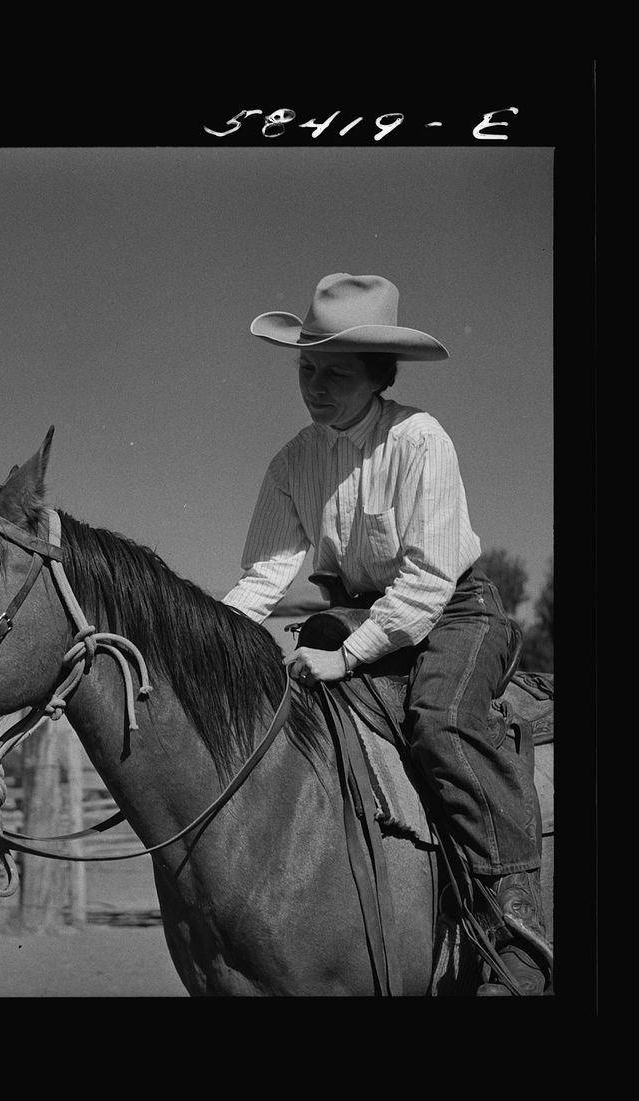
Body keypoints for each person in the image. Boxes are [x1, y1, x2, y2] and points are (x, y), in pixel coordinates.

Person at [222, 272, 549, 996]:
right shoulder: (291, 463)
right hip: (356, 616)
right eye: (306, 366)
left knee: (440, 718)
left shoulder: (420, 438)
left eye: (334, 371)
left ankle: (514, 919)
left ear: (378, 374)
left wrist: (346, 655)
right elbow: (264, 577)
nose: (314, 383)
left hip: (456, 611)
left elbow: (429, 583)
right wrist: (204, 639)